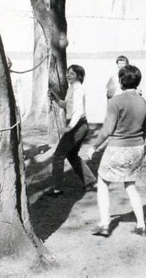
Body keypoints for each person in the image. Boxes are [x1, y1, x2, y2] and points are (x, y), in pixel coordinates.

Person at [87, 65, 146, 237]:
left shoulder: (116, 102)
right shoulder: (143, 102)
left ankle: (105, 224)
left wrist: (94, 147)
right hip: (137, 148)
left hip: (118, 148)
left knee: (103, 182)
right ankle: (141, 225)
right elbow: (145, 130)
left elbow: (107, 130)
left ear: (122, 81)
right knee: (130, 185)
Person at [45, 65, 96, 197]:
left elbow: (78, 111)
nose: (68, 75)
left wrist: (69, 127)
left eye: (72, 74)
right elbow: (65, 105)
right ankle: (90, 182)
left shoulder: (78, 89)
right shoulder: (71, 88)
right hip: (77, 125)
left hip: (78, 125)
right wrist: (55, 98)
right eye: (68, 73)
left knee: (58, 155)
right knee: (71, 155)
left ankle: (56, 188)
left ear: (79, 76)